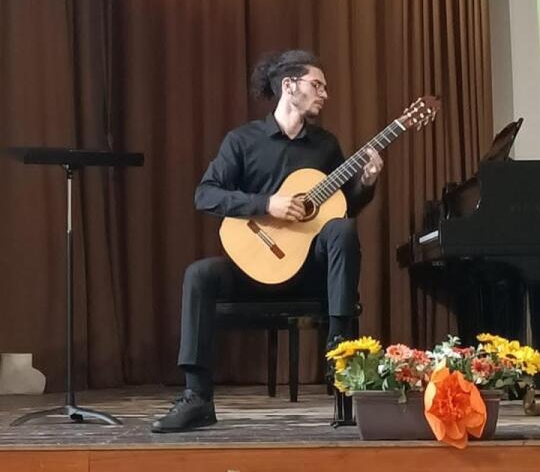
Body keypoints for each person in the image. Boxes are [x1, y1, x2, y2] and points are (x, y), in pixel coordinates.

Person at [151, 49, 383, 433]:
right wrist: (266, 204)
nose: (325, 94)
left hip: (307, 270)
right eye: (317, 85)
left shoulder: (325, 146)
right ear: (289, 86)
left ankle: (338, 345)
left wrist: (366, 182)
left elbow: (344, 207)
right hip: (254, 269)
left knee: (342, 229)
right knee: (199, 275)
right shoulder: (242, 141)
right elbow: (205, 194)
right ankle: (197, 397)